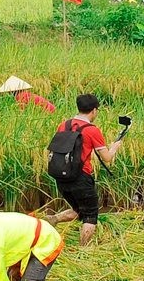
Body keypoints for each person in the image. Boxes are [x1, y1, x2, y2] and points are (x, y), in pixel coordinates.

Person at [46, 94, 127, 245]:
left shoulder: (64, 125)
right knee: (90, 214)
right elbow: (107, 158)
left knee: (79, 209)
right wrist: (114, 147)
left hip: (61, 176)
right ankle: (84, 249)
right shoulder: (92, 130)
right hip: (80, 177)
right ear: (94, 110)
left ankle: (54, 219)